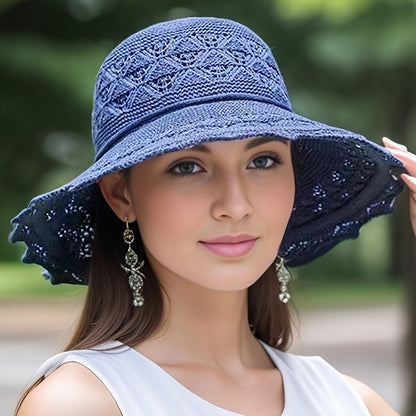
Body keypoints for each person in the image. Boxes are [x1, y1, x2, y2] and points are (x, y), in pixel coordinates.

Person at [9, 16, 415, 416]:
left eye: (263, 160)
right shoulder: (81, 404)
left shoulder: (352, 403)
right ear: (121, 195)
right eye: (187, 167)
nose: (235, 205)